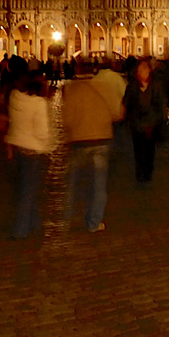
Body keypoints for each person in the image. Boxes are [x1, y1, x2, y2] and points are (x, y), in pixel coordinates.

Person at [61, 71, 124, 232]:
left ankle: (67, 217)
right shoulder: (105, 87)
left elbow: (67, 118)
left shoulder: (72, 90)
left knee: (73, 182)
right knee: (99, 184)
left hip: (78, 141)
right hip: (101, 139)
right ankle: (93, 222)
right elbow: (118, 112)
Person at [5, 74, 51, 240]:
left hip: (17, 147)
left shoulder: (15, 97)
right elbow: (42, 131)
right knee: (28, 192)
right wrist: (49, 143)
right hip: (34, 151)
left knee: (24, 189)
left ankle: (34, 223)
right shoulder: (39, 103)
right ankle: (21, 229)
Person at [122, 58, 167, 186]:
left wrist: (158, 118)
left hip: (151, 123)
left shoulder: (156, 85)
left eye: (144, 68)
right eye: (139, 69)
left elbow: (160, 103)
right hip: (136, 122)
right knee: (138, 149)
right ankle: (140, 173)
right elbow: (126, 102)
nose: (141, 71)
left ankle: (148, 172)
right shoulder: (132, 86)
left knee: (149, 149)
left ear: (149, 70)